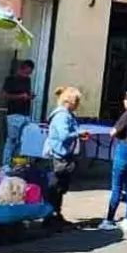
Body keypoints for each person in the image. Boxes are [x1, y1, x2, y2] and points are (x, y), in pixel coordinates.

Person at [98, 89, 127, 233]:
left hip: (123, 150)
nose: (124, 101)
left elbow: (114, 132)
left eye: (126, 99)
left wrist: (112, 131)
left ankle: (110, 219)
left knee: (116, 186)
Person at [43, 86, 85, 226]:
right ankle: (50, 217)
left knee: (60, 187)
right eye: (77, 101)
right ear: (70, 101)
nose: (78, 104)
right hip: (59, 155)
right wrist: (78, 133)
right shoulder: (62, 115)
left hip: (62, 154)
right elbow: (63, 135)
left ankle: (56, 214)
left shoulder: (66, 114)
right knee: (56, 187)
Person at [1, 59, 36, 169]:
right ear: (21, 69)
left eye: (29, 73)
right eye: (26, 72)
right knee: (12, 140)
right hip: (14, 114)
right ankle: (6, 164)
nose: (27, 75)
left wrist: (30, 96)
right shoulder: (11, 80)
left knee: (23, 142)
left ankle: (18, 164)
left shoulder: (28, 81)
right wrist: (20, 97)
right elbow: (4, 95)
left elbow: (27, 94)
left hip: (25, 113)